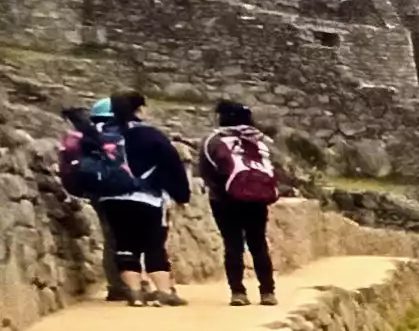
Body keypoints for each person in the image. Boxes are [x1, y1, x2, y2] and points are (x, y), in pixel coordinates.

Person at [86, 94, 195, 306]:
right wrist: (182, 194)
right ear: (139, 110)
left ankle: (134, 293)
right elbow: (171, 165)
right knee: (154, 244)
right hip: (147, 197)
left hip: (111, 198)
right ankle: (164, 292)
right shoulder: (150, 135)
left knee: (125, 245)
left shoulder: (103, 136)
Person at [200, 101, 281, 307]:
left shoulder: (214, 140)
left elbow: (206, 169)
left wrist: (220, 188)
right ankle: (267, 292)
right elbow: (276, 169)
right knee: (258, 244)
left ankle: (238, 292)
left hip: (224, 200)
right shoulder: (261, 141)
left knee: (233, 244)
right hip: (256, 201)